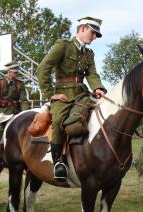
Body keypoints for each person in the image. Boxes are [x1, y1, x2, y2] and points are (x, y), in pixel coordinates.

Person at [37, 16, 107, 182]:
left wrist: (98, 88)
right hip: (63, 95)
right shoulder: (63, 46)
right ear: (82, 28)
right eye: (93, 32)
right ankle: (58, 162)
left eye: (97, 34)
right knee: (59, 120)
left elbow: (92, 74)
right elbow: (43, 68)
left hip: (82, 93)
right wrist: (49, 94)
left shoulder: (89, 54)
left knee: (101, 114)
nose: (95, 37)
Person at [0, 61, 29, 164]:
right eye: (14, 72)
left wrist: (25, 114)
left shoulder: (20, 84)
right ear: (9, 71)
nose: (16, 74)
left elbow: (24, 101)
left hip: (16, 113)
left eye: (17, 72)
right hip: (1, 114)